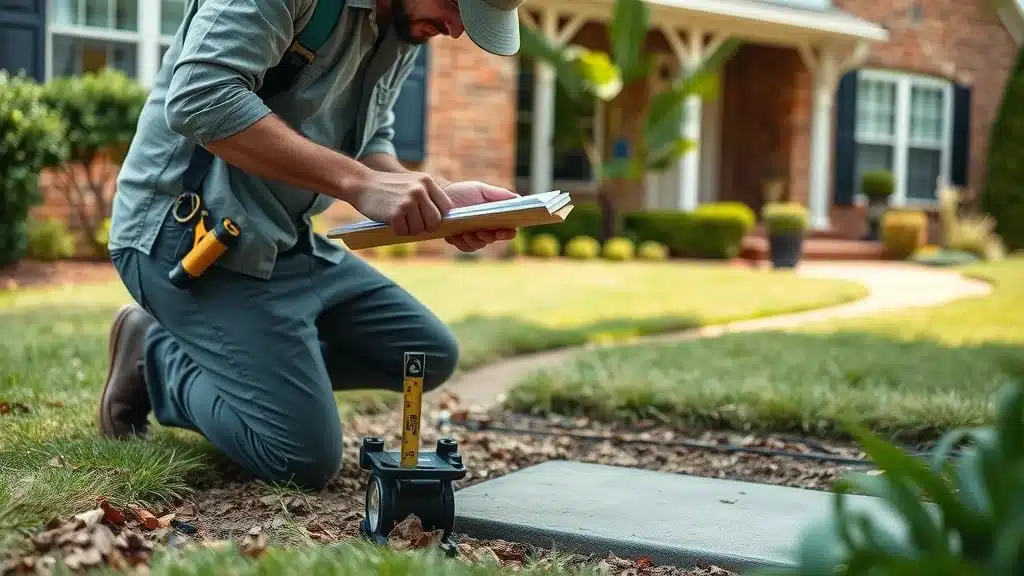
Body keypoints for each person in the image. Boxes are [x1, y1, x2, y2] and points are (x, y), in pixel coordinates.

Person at [99, 0, 526, 490]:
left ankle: (260, 368)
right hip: (191, 239)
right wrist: (360, 183)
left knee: (425, 354)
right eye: (456, 6)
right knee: (300, 454)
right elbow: (200, 98)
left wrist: (440, 201)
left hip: (287, 239)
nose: (456, 30)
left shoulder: (404, 23)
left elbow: (369, 140)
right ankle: (154, 356)